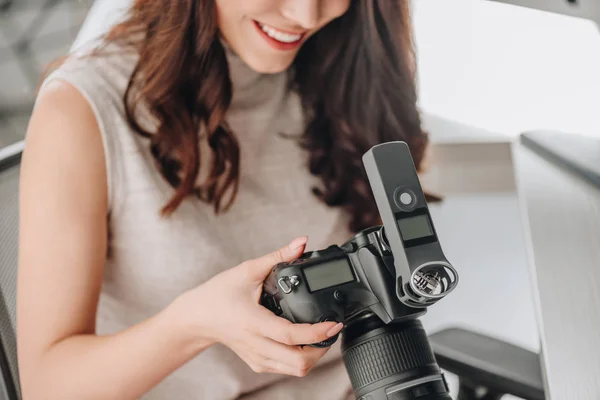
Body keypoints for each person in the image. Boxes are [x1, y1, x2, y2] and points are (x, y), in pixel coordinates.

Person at [17, 0, 430, 399]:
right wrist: (192, 325)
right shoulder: (81, 109)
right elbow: (48, 386)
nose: (306, 14)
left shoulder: (346, 62)